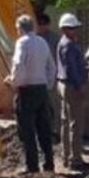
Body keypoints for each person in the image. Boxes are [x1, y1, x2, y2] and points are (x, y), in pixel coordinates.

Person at [5, 14, 56, 174]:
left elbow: (19, 64)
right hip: (41, 89)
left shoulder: (22, 43)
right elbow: (51, 67)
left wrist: (13, 82)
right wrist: (47, 84)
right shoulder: (42, 42)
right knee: (43, 129)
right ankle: (49, 163)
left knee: (27, 130)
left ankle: (32, 166)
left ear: (20, 28)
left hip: (27, 91)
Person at [57, 12, 89, 171]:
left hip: (65, 85)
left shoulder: (64, 43)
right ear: (65, 29)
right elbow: (71, 68)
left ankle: (66, 157)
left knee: (66, 122)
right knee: (76, 124)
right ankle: (75, 159)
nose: (75, 30)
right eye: (72, 28)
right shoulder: (69, 45)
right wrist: (80, 85)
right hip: (72, 86)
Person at [35, 12, 62, 143]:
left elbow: (59, 59)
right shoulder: (35, 39)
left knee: (53, 106)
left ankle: (56, 131)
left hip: (53, 77)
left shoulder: (55, 39)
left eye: (43, 24)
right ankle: (44, 131)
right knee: (42, 107)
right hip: (39, 78)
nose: (40, 27)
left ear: (48, 24)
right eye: (39, 24)